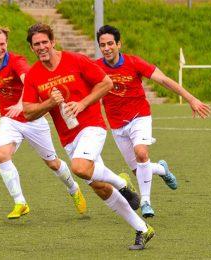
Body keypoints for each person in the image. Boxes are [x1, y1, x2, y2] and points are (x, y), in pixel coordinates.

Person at [22, 23, 153, 250]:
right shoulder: (34, 74)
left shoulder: (76, 60)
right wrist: (49, 103)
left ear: (53, 42)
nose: (42, 47)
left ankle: (122, 182)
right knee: (99, 187)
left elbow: (106, 83)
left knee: (80, 167)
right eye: (36, 44)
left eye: (45, 42)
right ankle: (143, 229)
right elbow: (27, 111)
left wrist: (82, 104)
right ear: (32, 48)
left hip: (92, 126)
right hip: (68, 138)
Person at [95, 25, 211, 218]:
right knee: (138, 169)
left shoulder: (134, 62)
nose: (106, 48)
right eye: (102, 45)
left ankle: (146, 201)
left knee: (141, 152)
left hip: (139, 116)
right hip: (117, 125)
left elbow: (164, 80)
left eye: (110, 44)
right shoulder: (96, 67)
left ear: (118, 44)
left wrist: (191, 98)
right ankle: (161, 169)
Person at [0, 25, 87, 219]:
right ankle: (20, 202)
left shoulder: (16, 61)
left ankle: (73, 189)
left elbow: (29, 81)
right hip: (9, 121)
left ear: (6, 43)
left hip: (33, 119)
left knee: (52, 163)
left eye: (1, 44)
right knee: (1, 155)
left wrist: (20, 104)